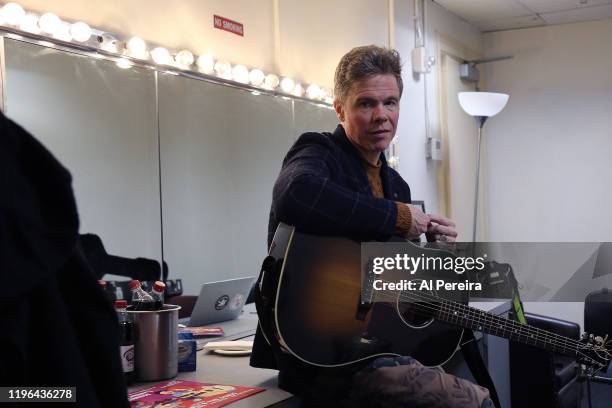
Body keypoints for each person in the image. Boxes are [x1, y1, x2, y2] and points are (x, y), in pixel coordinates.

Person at [251, 45, 493, 407]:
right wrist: (398, 217)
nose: (381, 115)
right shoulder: (318, 153)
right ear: (340, 108)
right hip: (320, 355)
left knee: (459, 366)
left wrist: (435, 254)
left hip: (376, 346)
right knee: (474, 401)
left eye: (390, 103)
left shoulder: (396, 185)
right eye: (366, 103)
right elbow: (297, 194)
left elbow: (390, 277)